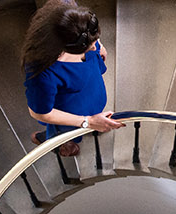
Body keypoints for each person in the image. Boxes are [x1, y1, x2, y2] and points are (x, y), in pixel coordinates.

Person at [23, 1, 123, 157]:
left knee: (93, 115)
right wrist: (87, 122)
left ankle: (91, 125)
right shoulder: (44, 74)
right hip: (70, 112)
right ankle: (56, 143)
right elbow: (40, 113)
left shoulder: (70, 16)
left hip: (91, 96)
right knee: (64, 133)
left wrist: (98, 43)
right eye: (89, 45)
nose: (94, 48)